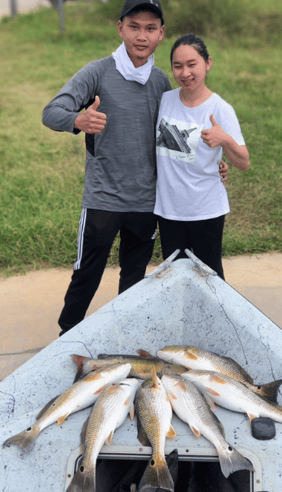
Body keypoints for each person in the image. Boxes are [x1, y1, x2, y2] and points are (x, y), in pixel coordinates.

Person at [42, 0, 171, 335]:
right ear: (120, 28)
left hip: (146, 200)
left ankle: (125, 339)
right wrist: (78, 119)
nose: (141, 36)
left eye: (150, 28)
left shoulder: (161, 82)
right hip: (103, 198)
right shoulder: (97, 72)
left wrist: (211, 168)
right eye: (134, 26)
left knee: (134, 276)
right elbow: (51, 112)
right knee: (87, 272)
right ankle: (66, 336)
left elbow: (174, 142)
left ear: (161, 34)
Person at [154, 33, 250, 281]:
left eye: (192, 64)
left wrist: (225, 140)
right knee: (176, 278)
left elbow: (243, 162)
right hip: (169, 211)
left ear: (208, 63)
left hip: (205, 210)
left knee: (210, 278)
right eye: (178, 66)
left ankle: (217, 321)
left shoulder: (220, 109)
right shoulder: (165, 100)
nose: (185, 73)